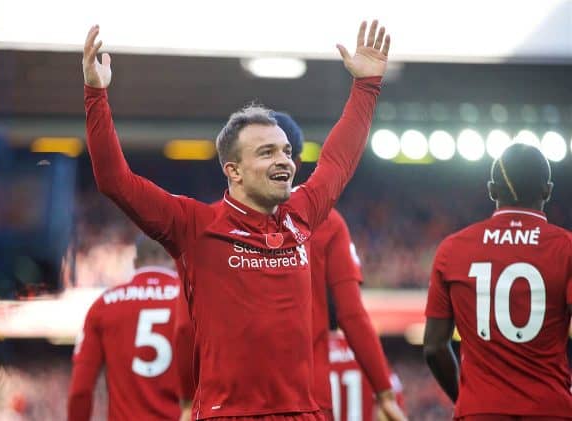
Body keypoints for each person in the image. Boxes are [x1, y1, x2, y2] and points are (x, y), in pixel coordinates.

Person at [82, 19, 390, 420]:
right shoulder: (195, 226)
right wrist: (95, 94)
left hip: (302, 413)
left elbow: (338, 158)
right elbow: (114, 180)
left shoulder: (303, 214)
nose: (283, 160)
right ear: (234, 171)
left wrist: (366, 87)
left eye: (284, 151)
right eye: (266, 153)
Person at [173, 113, 406, 421]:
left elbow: (185, 326)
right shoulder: (328, 222)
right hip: (307, 399)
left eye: (282, 151)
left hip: (230, 405)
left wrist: (189, 398)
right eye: (267, 151)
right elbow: (351, 314)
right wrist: (383, 390)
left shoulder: (208, 227)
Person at [423, 143, 572, 420]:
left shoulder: (453, 250)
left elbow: (433, 348)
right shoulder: (566, 248)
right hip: (551, 410)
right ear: (547, 190)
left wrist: (467, 400)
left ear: (492, 190)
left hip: (479, 410)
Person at [67, 236, 182, 421]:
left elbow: (80, 391)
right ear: (176, 259)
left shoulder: (104, 304)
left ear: (135, 262)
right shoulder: (195, 302)